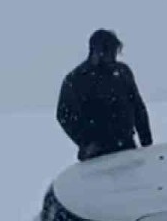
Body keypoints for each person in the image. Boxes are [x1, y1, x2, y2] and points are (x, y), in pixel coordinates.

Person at [56, 28, 153, 161]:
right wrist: (86, 143)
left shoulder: (122, 72)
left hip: (126, 146)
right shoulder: (76, 79)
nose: (113, 57)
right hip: (95, 154)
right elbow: (64, 114)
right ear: (96, 52)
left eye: (115, 52)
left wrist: (146, 142)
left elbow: (138, 107)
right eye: (109, 52)